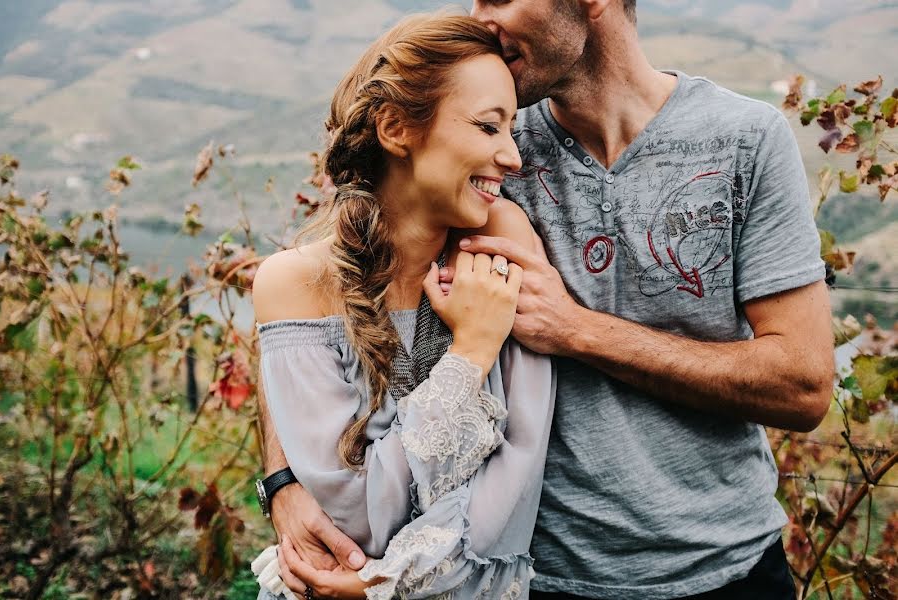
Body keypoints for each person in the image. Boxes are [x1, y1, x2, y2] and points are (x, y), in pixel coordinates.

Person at [262, 1, 835, 599]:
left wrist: (574, 329)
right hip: (538, 576)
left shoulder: (745, 140)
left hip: (725, 568)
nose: (481, 18)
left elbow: (803, 384)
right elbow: (327, 301)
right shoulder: (476, 140)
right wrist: (283, 481)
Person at [251, 14, 557, 600]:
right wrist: (470, 353)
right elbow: (353, 515)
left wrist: (384, 584)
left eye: (511, 130)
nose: (513, 156)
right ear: (396, 129)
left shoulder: (498, 250)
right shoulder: (294, 284)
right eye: (489, 127)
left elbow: (511, 491)